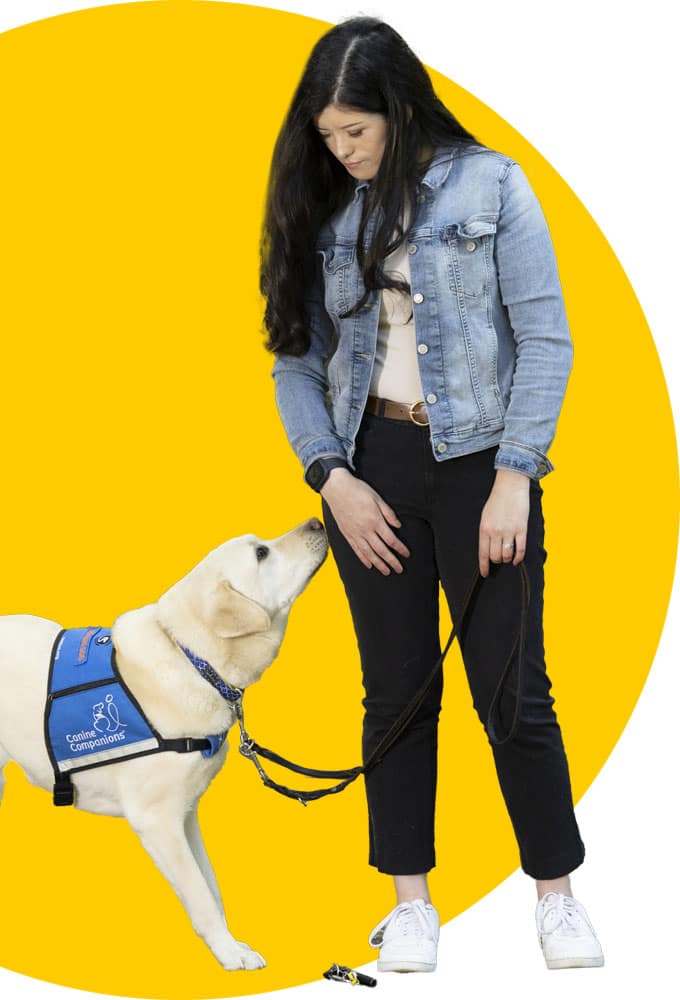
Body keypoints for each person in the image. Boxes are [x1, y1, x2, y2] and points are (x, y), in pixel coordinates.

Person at [261, 16, 603, 973]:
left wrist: (514, 481)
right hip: (371, 472)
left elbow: (546, 338)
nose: (341, 152)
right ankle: (410, 904)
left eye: (355, 134)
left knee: (513, 693)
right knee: (397, 693)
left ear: (400, 110)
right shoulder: (329, 210)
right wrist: (333, 479)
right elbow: (295, 362)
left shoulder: (493, 183)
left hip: (483, 466)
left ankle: (557, 897)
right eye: (326, 138)